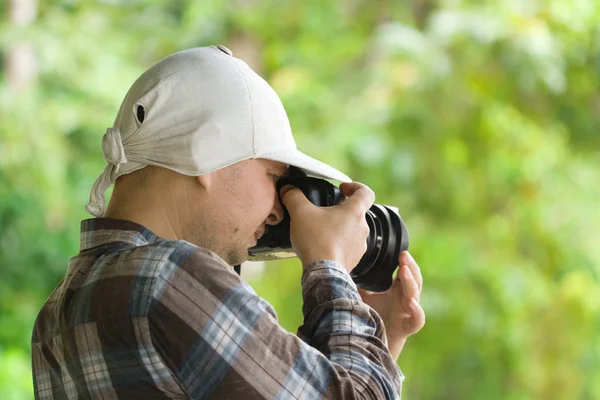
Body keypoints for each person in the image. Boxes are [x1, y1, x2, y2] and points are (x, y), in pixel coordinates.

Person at [31, 45, 425, 399]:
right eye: (274, 178)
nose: (276, 211)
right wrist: (329, 263)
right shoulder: (168, 277)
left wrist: (379, 337)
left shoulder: (55, 316)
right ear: (207, 152)